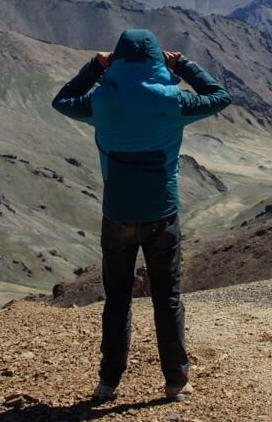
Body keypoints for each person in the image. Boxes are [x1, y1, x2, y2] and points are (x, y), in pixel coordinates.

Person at [52, 29, 232, 402]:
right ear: (156, 58)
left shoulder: (100, 101)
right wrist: (183, 65)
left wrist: (93, 68)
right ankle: (176, 382)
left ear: (115, 59)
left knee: (117, 300)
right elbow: (220, 97)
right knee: (167, 298)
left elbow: (63, 101)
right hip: (161, 216)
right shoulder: (173, 101)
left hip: (117, 215)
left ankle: (108, 382)